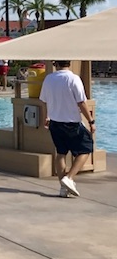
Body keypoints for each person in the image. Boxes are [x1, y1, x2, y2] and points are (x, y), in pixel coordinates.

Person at [39, 60, 95, 198]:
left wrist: (47, 116)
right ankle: (69, 178)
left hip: (54, 122)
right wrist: (91, 121)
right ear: (69, 64)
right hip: (71, 123)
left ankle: (63, 188)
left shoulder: (48, 79)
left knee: (61, 153)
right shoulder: (73, 78)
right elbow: (81, 102)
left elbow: (44, 101)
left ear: (55, 64)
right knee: (86, 148)